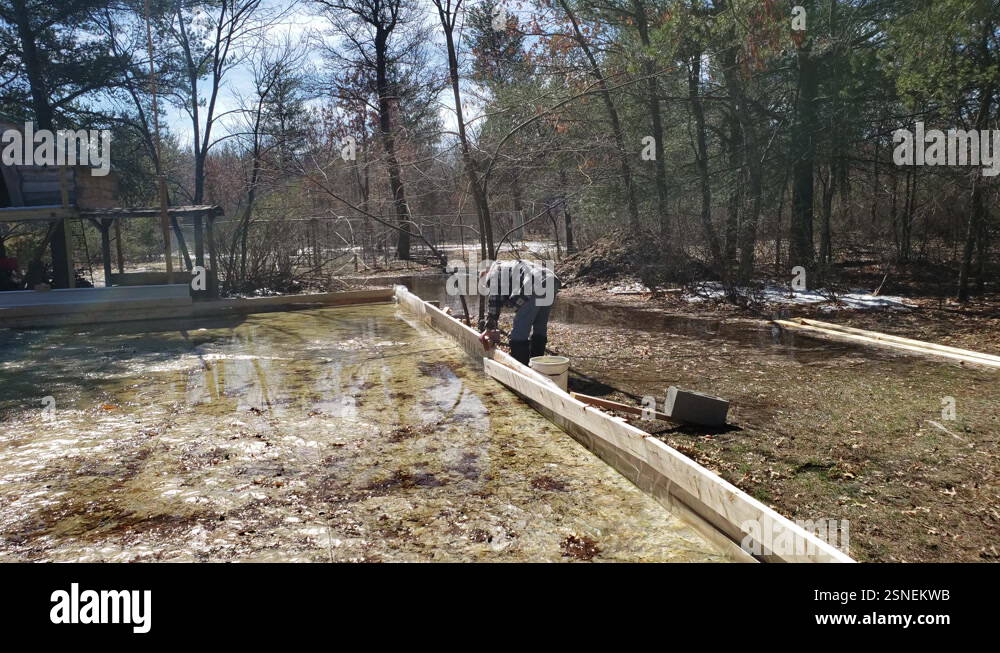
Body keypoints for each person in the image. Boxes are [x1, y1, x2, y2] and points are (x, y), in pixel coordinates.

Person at [478, 259, 560, 365]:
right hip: (551, 279)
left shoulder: (493, 272)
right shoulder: (508, 265)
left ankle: (521, 367)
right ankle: (538, 365)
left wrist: (489, 328)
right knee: (540, 326)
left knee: (519, 331)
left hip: (534, 284)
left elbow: (494, 301)